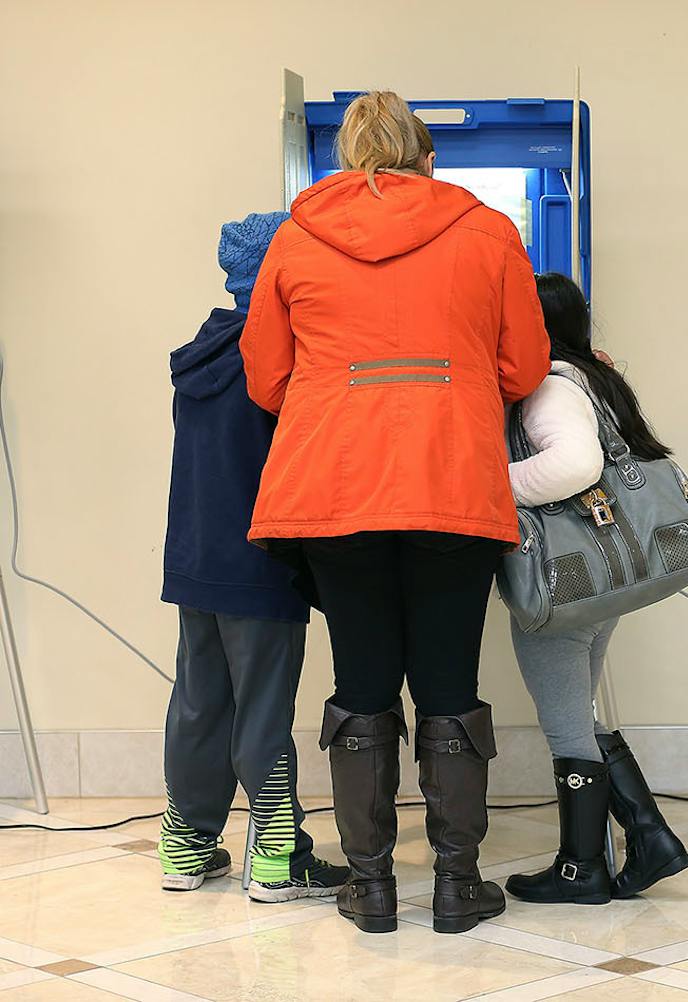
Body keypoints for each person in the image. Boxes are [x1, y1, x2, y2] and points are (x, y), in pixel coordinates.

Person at [240, 91, 550, 934]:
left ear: (344, 160)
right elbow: (524, 367)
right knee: (451, 682)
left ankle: (371, 887)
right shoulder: (488, 231)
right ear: (428, 159)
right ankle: (457, 884)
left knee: (362, 680)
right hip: (450, 479)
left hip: (335, 487)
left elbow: (266, 378)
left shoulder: (296, 237)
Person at [158, 211, 347, 902]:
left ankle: (185, 846)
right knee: (263, 710)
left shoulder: (200, 356)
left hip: (195, 559)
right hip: (259, 561)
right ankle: (275, 858)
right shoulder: (276, 358)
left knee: (199, 703)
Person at [501, 272, 688, 905]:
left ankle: (582, 868)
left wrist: (488, 482)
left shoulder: (551, 385)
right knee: (579, 712)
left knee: (566, 728)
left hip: (566, 580)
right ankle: (648, 836)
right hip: (604, 580)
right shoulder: (595, 377)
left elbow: (577, 466)